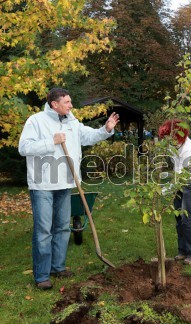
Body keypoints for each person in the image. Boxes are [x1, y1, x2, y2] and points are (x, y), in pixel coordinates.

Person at [18, 88, 119, 290]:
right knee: (44, 231)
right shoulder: (36, 121)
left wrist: (106, 129)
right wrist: (51, 142)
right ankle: (42, 276)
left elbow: (87, 137)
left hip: (65, 183)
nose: (71, 105)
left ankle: (58, 267)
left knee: (63, 228)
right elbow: (24, 148)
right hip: (43, 185)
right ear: (54, 104)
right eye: (67, 102)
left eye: (70, 101)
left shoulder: (71, 121)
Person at [158, 120, 191, 266]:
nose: (167, 141)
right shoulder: (173, 146)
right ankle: (182, 250)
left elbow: (185, 176)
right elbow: (177, 170)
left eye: (169, 137)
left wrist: (165, 190)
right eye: (165, 138)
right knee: (178, 217)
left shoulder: (189, 150)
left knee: (186, 218)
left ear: (179, 135)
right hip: (179, 180)